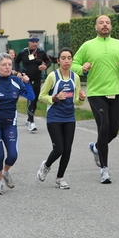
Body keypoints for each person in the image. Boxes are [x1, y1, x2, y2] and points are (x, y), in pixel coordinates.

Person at [71, 15, 119, 184]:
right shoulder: (87, 46)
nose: (105, 25)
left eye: (107, 23)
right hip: (96, 93)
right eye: (101, 23)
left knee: (113, 131)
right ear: (95, 27)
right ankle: (104, 170)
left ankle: (97, 147)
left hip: (115, 92)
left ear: (111, 26)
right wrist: (82, 68)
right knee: (104, 127)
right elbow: (74, 64)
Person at [0, 53, 35, 195]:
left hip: (10, 123)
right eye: (4, 65)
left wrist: (27, 83)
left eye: (9, 64)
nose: (7, 67)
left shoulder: (16, 81)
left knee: (13, 155)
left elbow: (31, 97)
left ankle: (5, 171)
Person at [37, 48, 86, 189]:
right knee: (59, 148)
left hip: (69, 117)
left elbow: (75, 100)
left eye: (69, 58)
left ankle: (60, 178)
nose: (66, 61)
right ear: (58, 61)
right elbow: (41, 96)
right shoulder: (53, 76)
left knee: (67, 149)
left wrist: (81, 99)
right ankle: (46, 166)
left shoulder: (75, 77)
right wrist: (55, 98)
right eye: (63, 58)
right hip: (54, 117)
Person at [14, 34, 52, 132]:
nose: (34, 43)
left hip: (37, 79)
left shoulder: (41, 52)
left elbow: (49, 61)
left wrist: (45, 66)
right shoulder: (23, 52)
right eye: (32, 41)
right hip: (27, 80)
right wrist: (19, 72)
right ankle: (31, 122)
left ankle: (28, 119)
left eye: (36, 41)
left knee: (35, 100)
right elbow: (16, 62)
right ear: (29, 42)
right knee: (31, 99)